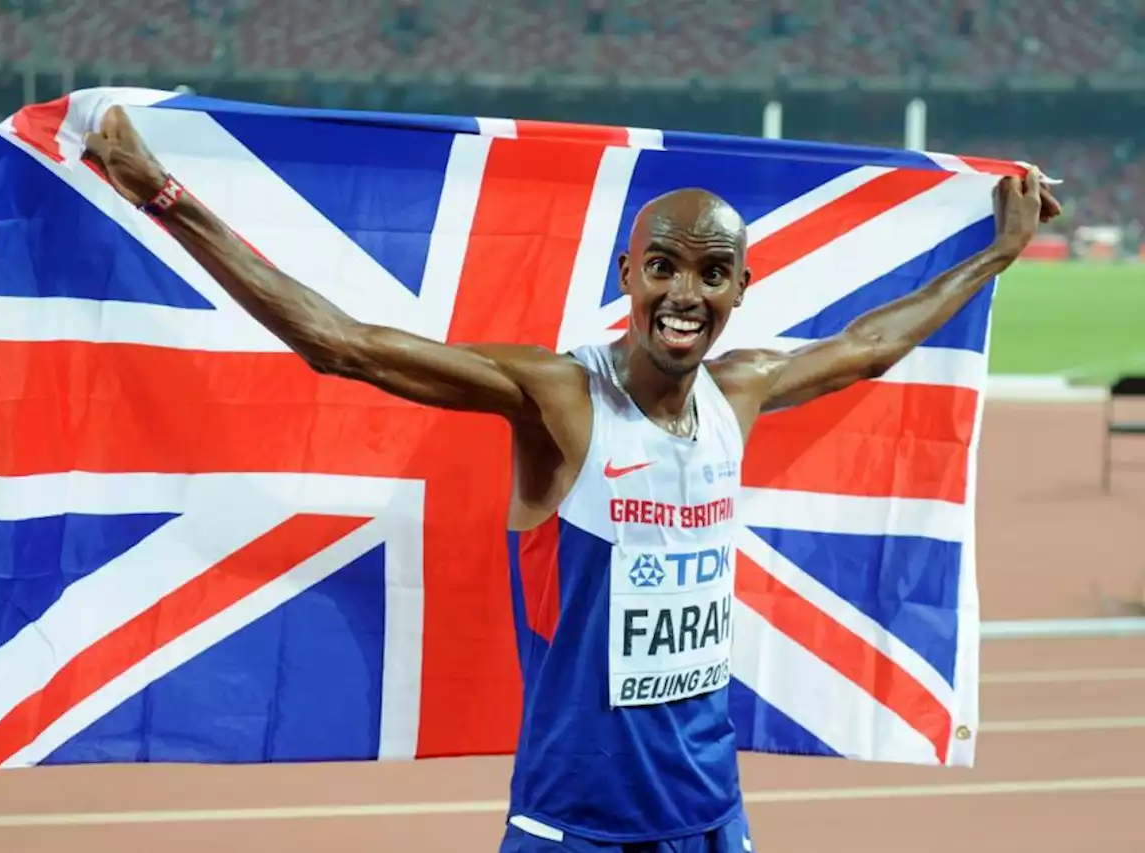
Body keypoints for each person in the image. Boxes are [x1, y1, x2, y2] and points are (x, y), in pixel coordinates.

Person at [82, 106, 1060, 852]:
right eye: (664, 268)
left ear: (738, 291)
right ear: (626, 272)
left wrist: (994, 255)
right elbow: (344, 347)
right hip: (572, 822)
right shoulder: (558, 398)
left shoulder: (742, 390)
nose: (686, 293)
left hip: (708, 811)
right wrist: (162, 196)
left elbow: (868, 344)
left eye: (712, 274)